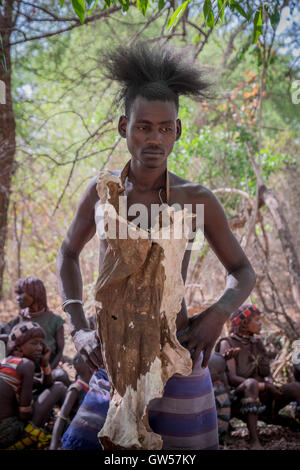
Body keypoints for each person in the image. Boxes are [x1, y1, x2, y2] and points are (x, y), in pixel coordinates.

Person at [56, 42, 256, 450]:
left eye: (166, 128)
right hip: (111, 360)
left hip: (177, 359)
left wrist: (217, 314)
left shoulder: (195, 198)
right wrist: (78, 330)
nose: (155, 139)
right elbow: (68, 255)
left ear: (178, 131)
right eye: (143, 126)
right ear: (122, 126)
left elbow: (243, 271)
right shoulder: (100, 193)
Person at [217, 304, 300, 449]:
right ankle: (254, 440)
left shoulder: (257, 343)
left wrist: (269, 381)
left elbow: (266, 370)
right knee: (251, 384)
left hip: (265, 395)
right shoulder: (227, 343)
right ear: (244, 323)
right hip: (240, 398)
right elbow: (232, 378)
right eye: (257, 320)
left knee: (295, 388)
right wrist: (263, 385)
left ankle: (292, 419)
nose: (260, 323)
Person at [0, 321, 66, 449]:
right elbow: (24, 415)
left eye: (41, 343)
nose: (40, 348)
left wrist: (45, 363)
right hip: (7, 432)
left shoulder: (8, 362)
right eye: (34, 343)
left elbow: (46, 383)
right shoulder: (25, 365)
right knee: (58, 387)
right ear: (18, 348)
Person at [1, 276, 69, 386]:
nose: (18, 298)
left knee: (61, 376)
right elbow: (8, 343)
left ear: (35, 293)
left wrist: (48, 370)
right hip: (21, 369)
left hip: (46, 369)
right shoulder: (18, 319)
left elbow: (60, 351)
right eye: (17, 294)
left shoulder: (55, 320)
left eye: (21, 293)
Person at [49, 353, 92, 450]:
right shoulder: (76, 389)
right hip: (77, 434)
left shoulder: (94, 385)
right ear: (91, 368)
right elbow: (62, 417)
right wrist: (53, 445)